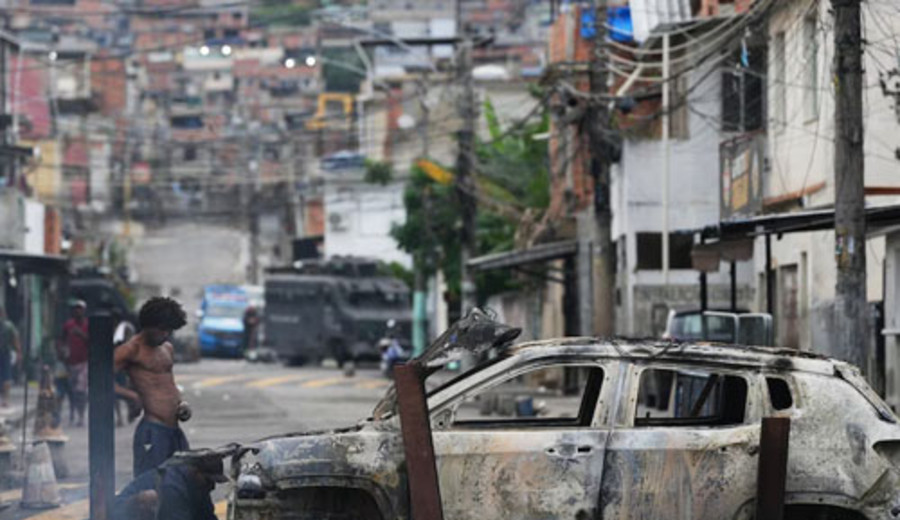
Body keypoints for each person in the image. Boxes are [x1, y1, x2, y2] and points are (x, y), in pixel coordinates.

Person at [114, 296, 189, 477]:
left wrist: (182, 404)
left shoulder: (167, 348)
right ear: (149, 325)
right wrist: (131, 396)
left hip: (175, 430)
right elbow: (99, 382)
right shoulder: (131, 350)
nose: (165, 335)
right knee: (149, 485)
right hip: (153, 430)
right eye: (162, 330)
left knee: (184, 481)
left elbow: (168, 384)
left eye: (169, 331)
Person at [112, 453, 225, 520]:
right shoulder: (173, 486)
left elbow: (207, 516)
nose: (212, 486)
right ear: (196, 472)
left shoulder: (199, 486)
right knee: (150, 497)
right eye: (208, 480)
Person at [60, 301, 89, 426]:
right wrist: (61, 351)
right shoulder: (68, 325)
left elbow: (92, 341)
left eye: (80, 309)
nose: (78, 311)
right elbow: (61, 340)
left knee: (80, 390)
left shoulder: (88, 325)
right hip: (70, 362)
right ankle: (73, 413)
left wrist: (81, 334)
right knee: (71, 390)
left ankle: (81, 415)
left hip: (84, 362)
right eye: (75, 309)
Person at [112, 309, 137, 428]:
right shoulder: (111, 330)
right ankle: (120, 417)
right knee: (115, 392)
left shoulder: (125, 328)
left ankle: (129, 413)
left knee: (125, 390)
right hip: (116, 363)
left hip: (124, 363)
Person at [0, 306, 21, 408]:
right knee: (6, 376)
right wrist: (18, 352)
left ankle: (5, 399)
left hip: (5, 353)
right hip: (5, 353)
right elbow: (15, 339)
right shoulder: (9, 325)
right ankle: (6, 400)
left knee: (5, 377)